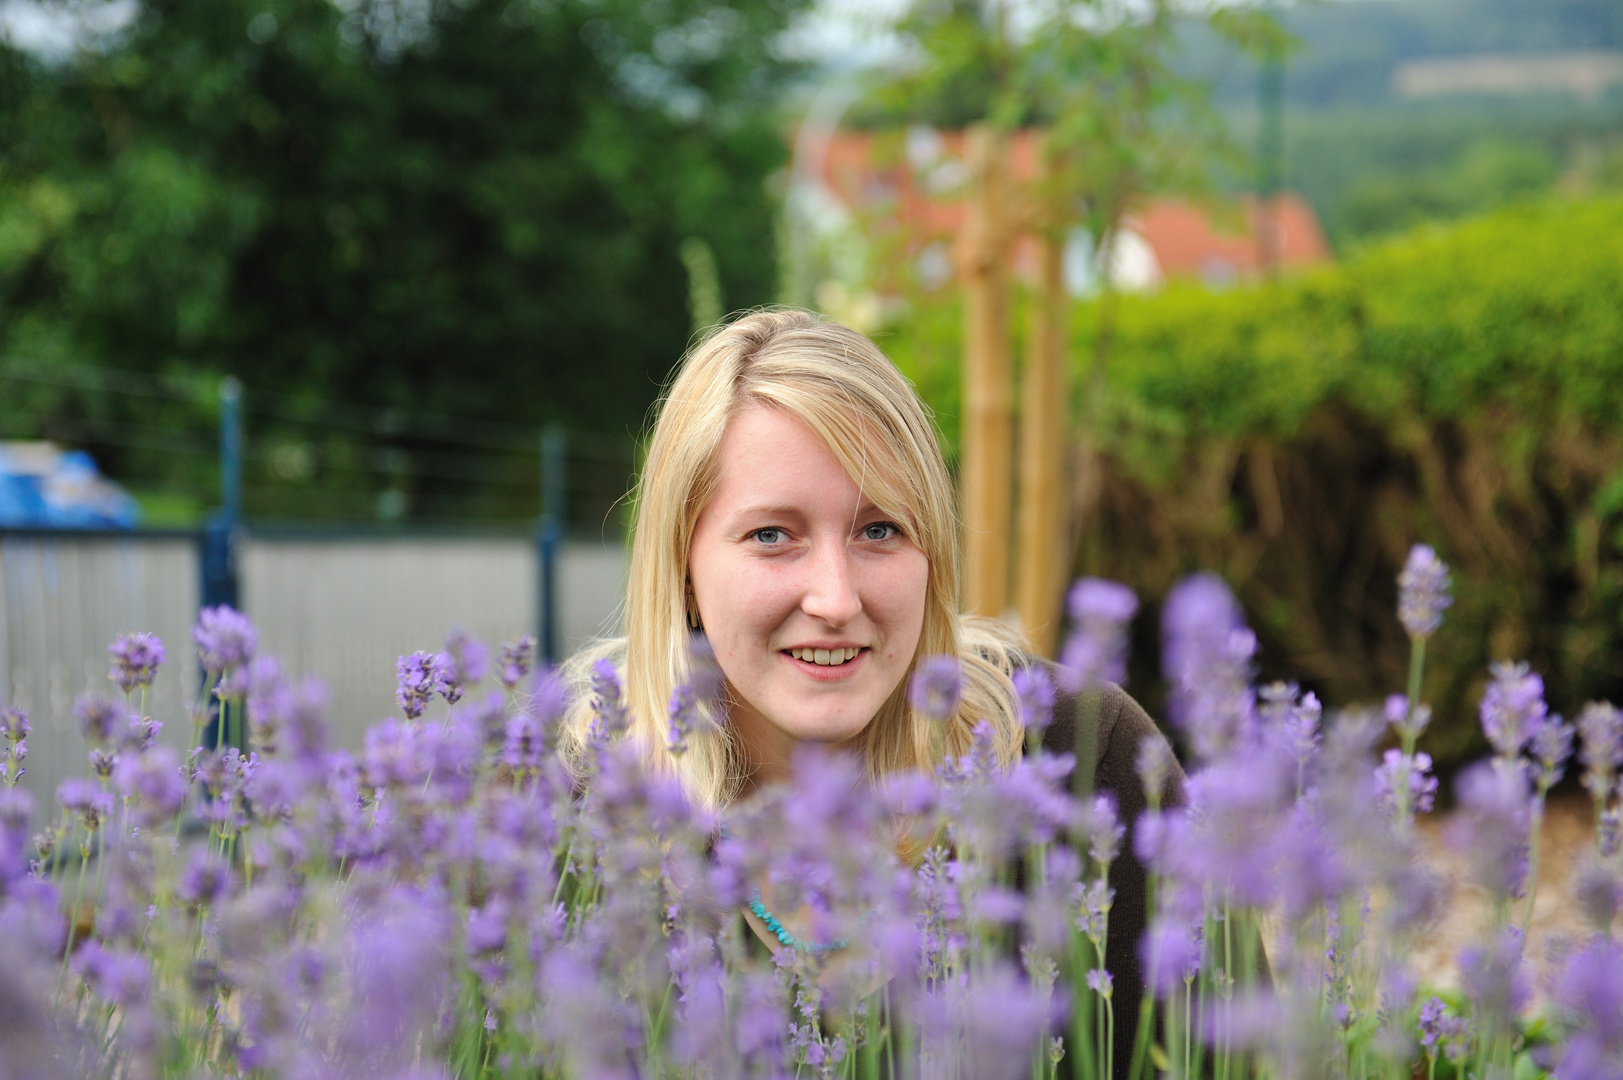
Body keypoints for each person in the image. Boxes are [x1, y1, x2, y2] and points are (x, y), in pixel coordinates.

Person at [559, 308, 1186, 1077]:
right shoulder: (562, 819)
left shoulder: (1086, 756)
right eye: (771, 536)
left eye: (879, 530)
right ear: (682, 568)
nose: (835, 597)